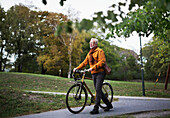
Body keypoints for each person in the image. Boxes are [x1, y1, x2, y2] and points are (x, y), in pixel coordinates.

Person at [73, 38, 113, 114]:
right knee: (99, 91)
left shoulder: (100, 51)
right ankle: (108, 104)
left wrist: (93, 68)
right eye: (90, 43)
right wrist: (77, 68)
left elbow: (102, 61)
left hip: (100, 72)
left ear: (96, 44)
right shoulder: (89, 53)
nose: (91, 44)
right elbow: (84, 63)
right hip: (93, 73)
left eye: (93, 43)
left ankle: (96, 108)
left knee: (97, 90)